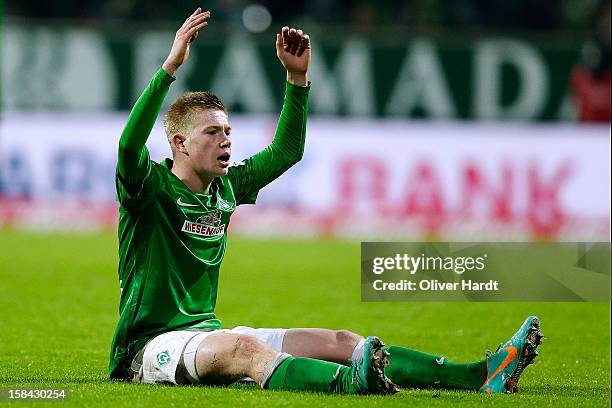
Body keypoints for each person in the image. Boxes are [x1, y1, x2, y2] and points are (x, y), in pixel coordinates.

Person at [109, 8, 543, 395]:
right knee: (244, 350)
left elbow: (286, 152)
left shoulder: (227, 186)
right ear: (180, 143)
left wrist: (297, 79)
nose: (226, 140)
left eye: (228, 132)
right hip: (149, 348)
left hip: (203, 334)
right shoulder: (149, 189)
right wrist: (170, 67)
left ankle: (480, 374)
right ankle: (350, 385)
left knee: (342, 342)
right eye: (213, 133)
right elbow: (129, 147)